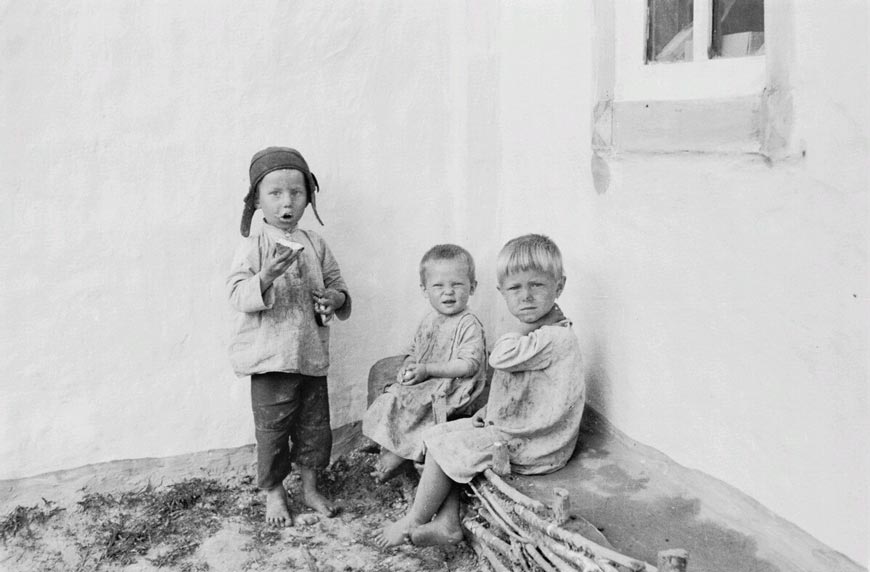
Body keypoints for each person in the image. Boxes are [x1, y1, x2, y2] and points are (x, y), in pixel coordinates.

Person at [374, 234, 585, 548]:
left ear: (559, 287)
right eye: (515, 288)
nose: (526, 296)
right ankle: (447, 523)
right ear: (502, 293)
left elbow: (498, 356)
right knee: (439, 436)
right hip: (519, 428)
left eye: (537, 285)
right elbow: (530, 389)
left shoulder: (554, 336)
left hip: (536, 445)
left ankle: (414, 519)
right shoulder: (542, 333)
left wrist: (525, 328)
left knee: (449, 446)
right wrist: (491, 409)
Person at [227, 147, 351, 527]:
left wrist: (333, 299)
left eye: (296, 193)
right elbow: (237, 294)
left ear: (308, 198)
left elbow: (338, 288)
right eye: (275, 194)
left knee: (314, 428)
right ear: (257, 200)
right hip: (269, 360)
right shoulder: (254, 244)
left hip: (310, 356)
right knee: (273, 431)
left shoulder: (315, 243)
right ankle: (275, 491)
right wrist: (265, 276)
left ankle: (311, 487)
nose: (287, 203)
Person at [362, 244, 487, 482]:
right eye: (438, 286)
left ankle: (399, 456)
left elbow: (469, 365)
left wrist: (427, 370)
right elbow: (416, 350)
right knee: (394, 394)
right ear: (424, 290)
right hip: (431, 379)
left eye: (457, 284)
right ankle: (390, 444)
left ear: (472, 287)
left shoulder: (469, 323)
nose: (448, 292)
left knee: (423, 406)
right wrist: (409, 366)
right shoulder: (431, 320)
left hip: (456, 386)